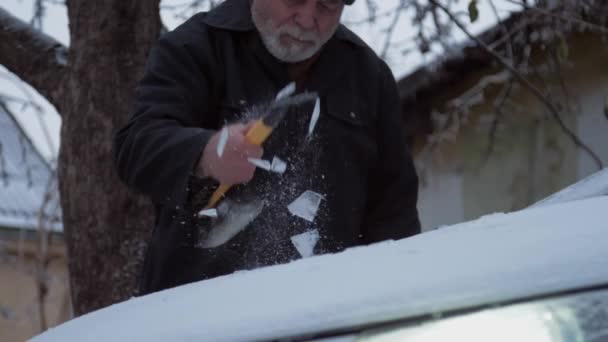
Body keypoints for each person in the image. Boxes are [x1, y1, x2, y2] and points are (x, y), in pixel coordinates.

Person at [113, 0, 421, 295]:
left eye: (327, 5)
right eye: (294, 0)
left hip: (333, 311)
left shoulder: (367, 76)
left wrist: (398, 297)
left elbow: (394, 212)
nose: (307, 19)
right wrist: (204, 154)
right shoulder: (196, 47)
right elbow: (136, 145)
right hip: (198, 311)